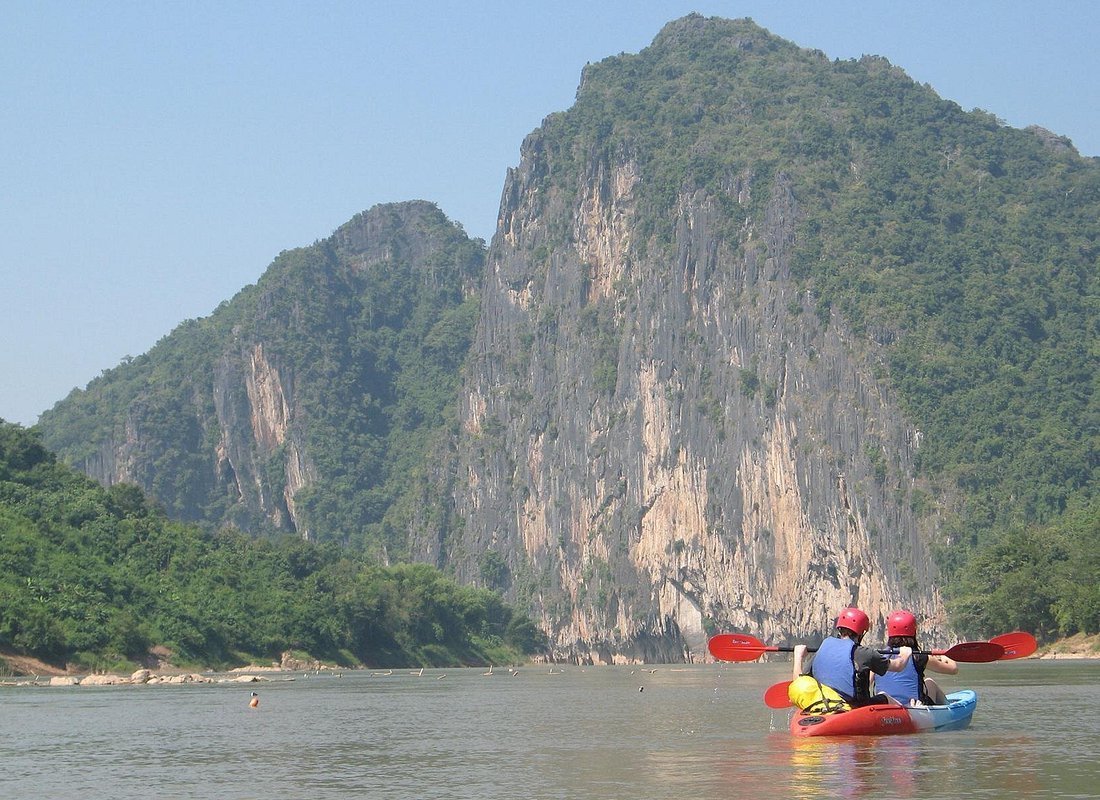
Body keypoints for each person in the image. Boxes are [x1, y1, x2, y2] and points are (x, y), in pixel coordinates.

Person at [793, 607, 913, 707]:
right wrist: (905, 654)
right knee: (884, 696)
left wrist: (798, 656)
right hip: (856, 707)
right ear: (862, 633)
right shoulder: (865, 653)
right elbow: (898, 666)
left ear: (840, 629)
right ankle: (911, 714)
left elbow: (797, 683)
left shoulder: (823, 648)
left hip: (824, 703)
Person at [873, 609, 958, 706]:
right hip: (914, 708)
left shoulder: (877, 656)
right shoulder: (919, 657)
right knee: (930, 683)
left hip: (884, 708)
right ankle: (949, 710)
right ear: (914, 631)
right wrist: (944, 656)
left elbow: (867, 683)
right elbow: (953, 669)